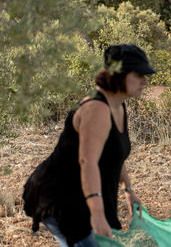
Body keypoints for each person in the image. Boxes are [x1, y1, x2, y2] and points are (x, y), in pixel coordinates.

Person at [22, 44, 155, 246]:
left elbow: (115, 154)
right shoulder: (96, 109)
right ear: (118, 74)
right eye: (138, 74)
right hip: (60, 196)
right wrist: (98, 214)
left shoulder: (119, 105)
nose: (145, 80)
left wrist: (129, 189)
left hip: (82, 194)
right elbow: (88, 161)